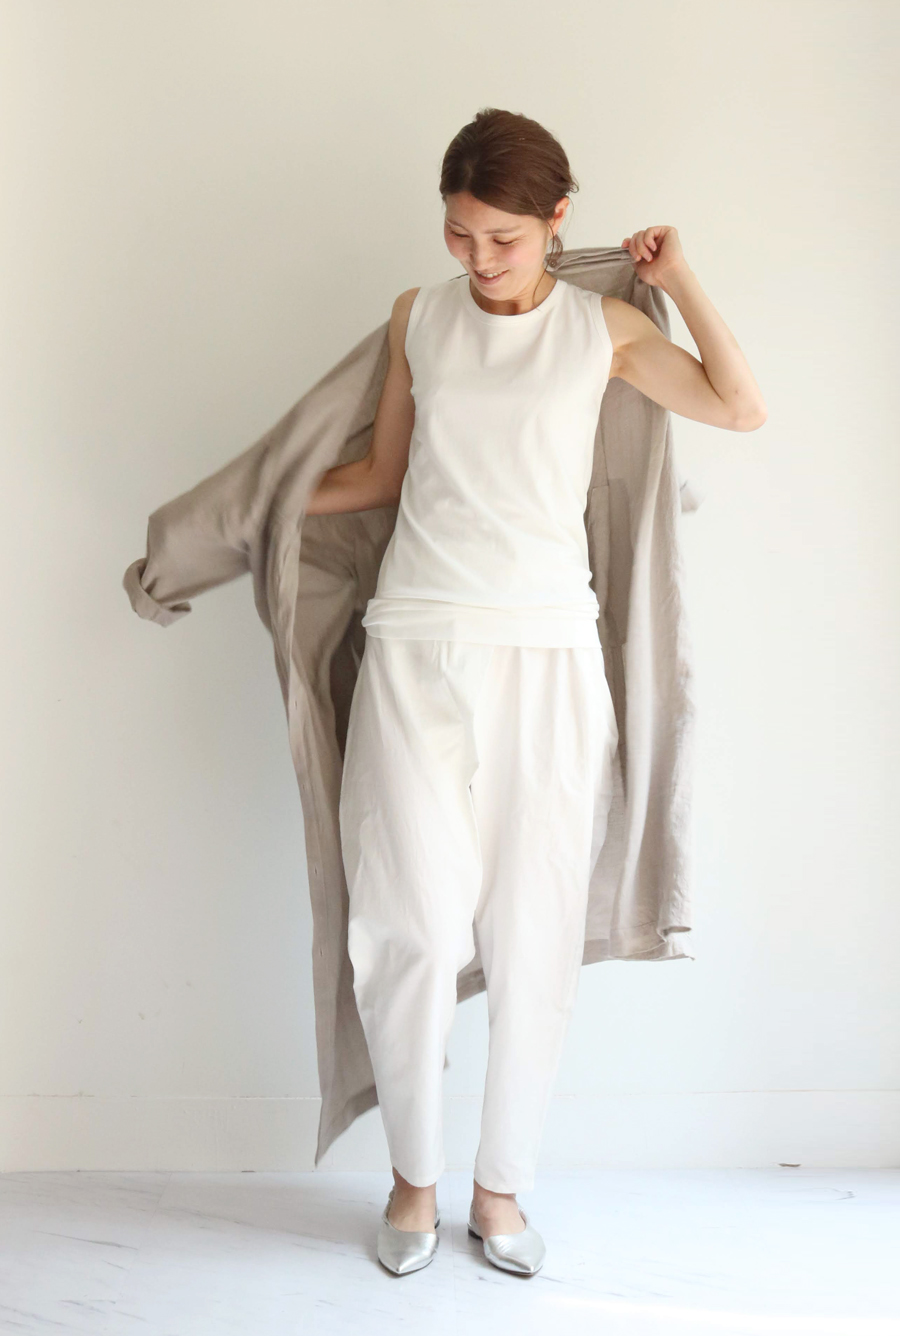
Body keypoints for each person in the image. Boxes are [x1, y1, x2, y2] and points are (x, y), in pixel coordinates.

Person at [303, 107, 767, 1276]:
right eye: (459, 233)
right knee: (405, 923)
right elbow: (381, 474)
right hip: (414, 644)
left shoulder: (603, 330)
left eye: (503, 237)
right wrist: (259, 501)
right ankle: (413, 1181)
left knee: (533, 930)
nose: (479, 258)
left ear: (558, 220)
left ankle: (499, 1189)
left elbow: (738, 406)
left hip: (550, 657)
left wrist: (682, 277)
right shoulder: (418, 318)